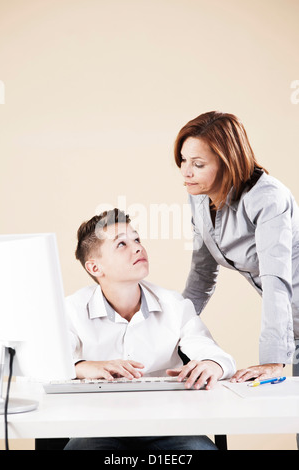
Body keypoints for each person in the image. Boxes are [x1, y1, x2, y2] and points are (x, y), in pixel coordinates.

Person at [63, 208, 236, 451]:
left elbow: (214, 353)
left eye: (136, 239)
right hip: (98, 428)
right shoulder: (71, 310)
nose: (137, 248)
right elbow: (42, 367)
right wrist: (83, 367)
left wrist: (212, 364)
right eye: (121, 244)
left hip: (169, 427)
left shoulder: (174, 305)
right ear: (94, 268)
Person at [174, 110, 299, 386]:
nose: (186, 171)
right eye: (183, 159)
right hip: (293, 328)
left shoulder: (268, 198)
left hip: (286, 326)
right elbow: (201, 275)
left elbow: (275, 279)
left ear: (227, 162)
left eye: (198, 163)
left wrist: (271, 359)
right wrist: (171, 329)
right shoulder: (199, 196)